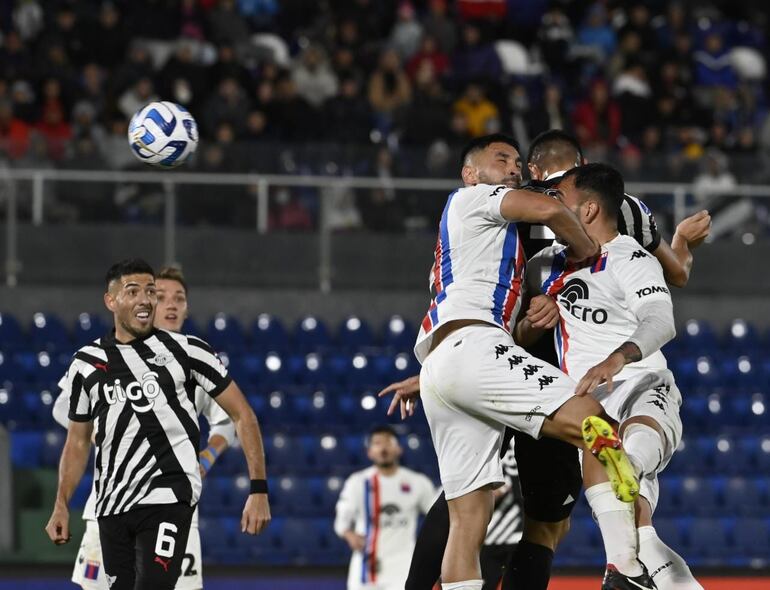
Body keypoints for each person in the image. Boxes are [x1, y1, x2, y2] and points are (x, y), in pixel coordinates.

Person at [383, 129, 710, 590]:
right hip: (517, 367)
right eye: (509, 162)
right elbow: (676, 272)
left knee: (480, 511)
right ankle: (629, 567)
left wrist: (437, 370)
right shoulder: (504, 205)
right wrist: (601, 255)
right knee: (565, 484)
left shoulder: (614, 217)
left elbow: (665, 287)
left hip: (495, 361)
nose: (521, 173)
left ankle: (637, 558)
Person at [518, 163, 703, 590]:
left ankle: (629, 466)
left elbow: (661, 320)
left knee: (635, 432)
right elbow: (518, 334)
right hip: (593, 406)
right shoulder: (546, 266)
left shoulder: (630, 257)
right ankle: (624, 571)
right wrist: (533, 321)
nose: (549, 209)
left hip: (641, 382)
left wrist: (616, 359)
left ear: (587, 212)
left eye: (558, 200)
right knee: (645, 534)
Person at [44, 259, 271, 590]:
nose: (147, 300)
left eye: (151, 291)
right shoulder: (87, 363)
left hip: (168, 495)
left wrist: (258, 489)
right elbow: (77, 439)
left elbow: (241, 415)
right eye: (134, 291)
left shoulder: (189, 352)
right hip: (110, 503)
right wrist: (61, 503)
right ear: (110, 300)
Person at [334, 425, 436, 590]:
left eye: (388, 442)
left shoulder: (418, 483)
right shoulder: (358, 482)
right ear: (369, 452)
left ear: (399, 449)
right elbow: (342, 522)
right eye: (377, 443)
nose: (383, 448)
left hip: (403, 568)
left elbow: (436, 517)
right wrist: (349, 535)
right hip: (366, 570)